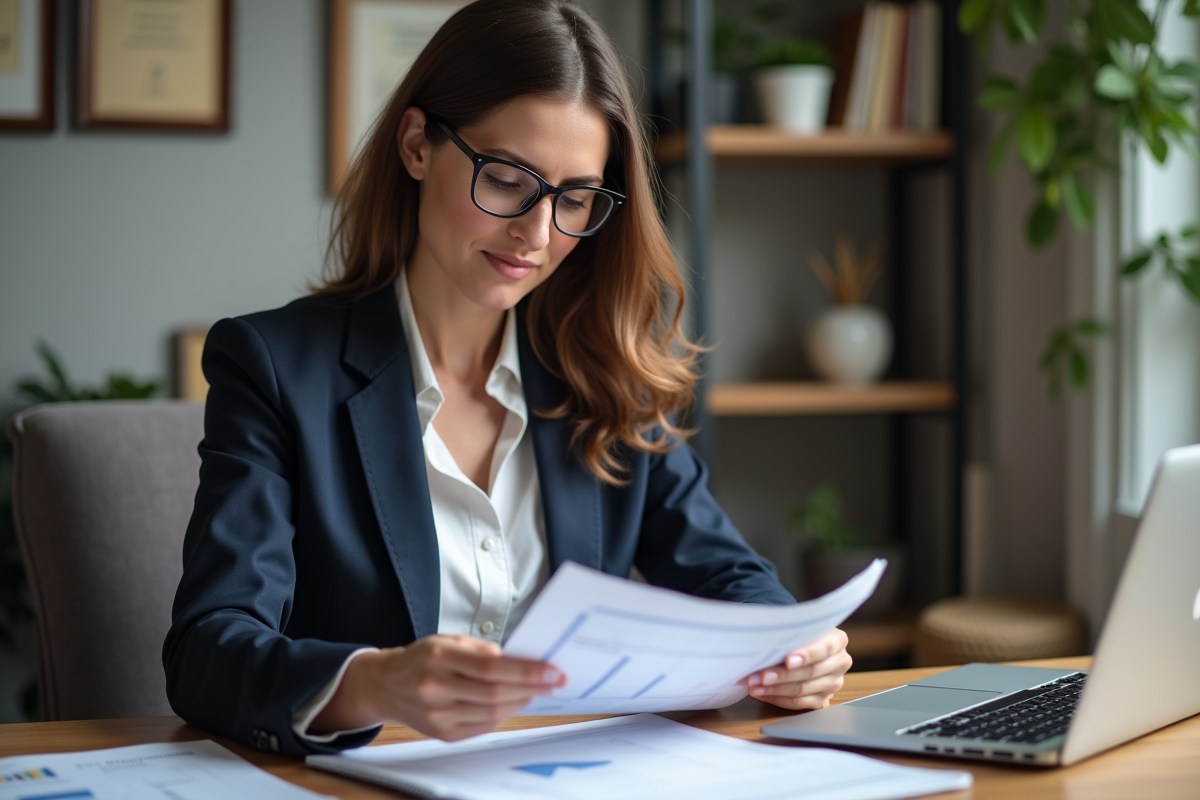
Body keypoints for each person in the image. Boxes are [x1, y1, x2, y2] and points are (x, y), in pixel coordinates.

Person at [163, 0, 851, 759]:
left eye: (575, 199)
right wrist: (377, 682)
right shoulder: (273, 367)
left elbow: (728, 576)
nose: (537, 232)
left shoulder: (604, 375)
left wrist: (794, 649)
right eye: (506, 179)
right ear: (417, 145)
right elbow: (208, 648)